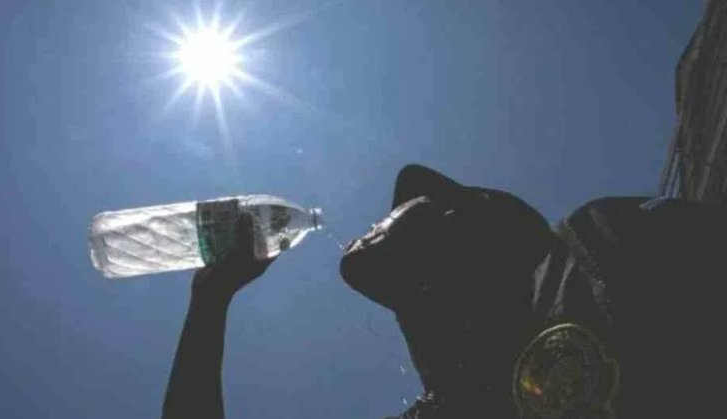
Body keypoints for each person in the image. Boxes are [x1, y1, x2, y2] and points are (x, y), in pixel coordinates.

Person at [161, 164, 727, 418]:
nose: (377, 221)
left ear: (466, 215)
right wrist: (209, 301)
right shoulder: (451, 406)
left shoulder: (589, 245)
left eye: (402, 205)